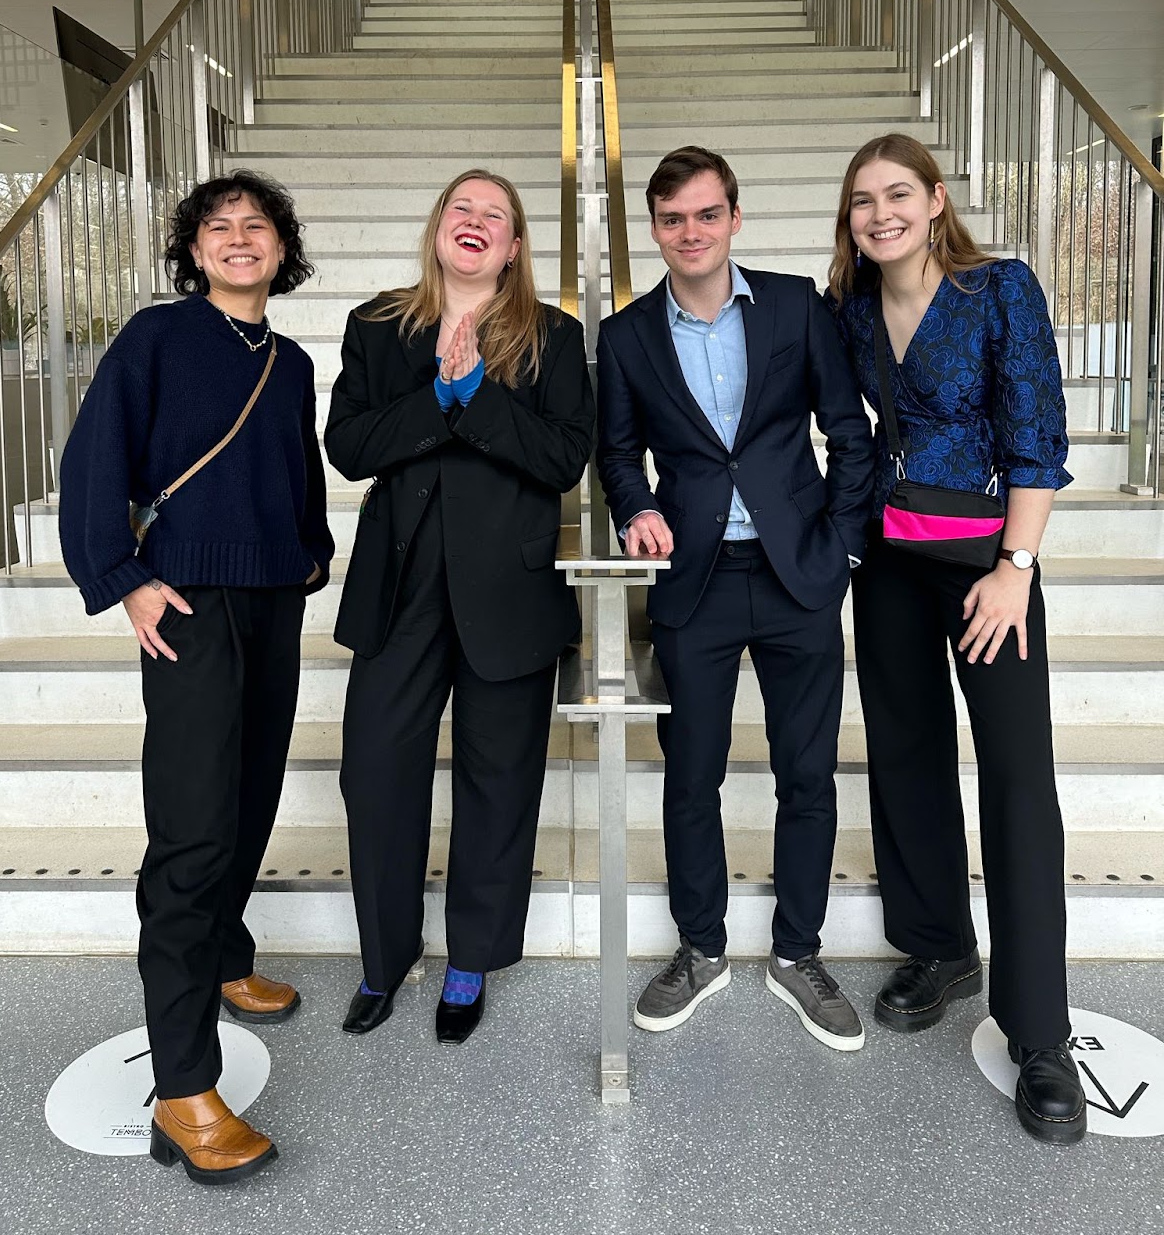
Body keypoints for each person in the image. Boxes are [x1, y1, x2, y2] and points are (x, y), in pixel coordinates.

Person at [58, 170, 333, 1184]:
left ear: (281, 248)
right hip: (188, 607)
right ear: (193, 251)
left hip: (272, 599)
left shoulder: (293, 361)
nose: (238, 238)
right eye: (218, 227)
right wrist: (123, 576)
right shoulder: (155, 337)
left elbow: (296, 472)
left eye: (255, 225)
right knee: (192, 830)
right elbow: (94, 464)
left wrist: (311, 558)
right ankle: (182, 1085)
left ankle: (225, 953)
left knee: (252, 795)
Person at [826, 132, 1086, 1145]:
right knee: (907, 756)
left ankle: (1040, 1033)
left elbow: (1037, 436)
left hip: (990, 567)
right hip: (889, 562)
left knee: (1019, 779)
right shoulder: (849, 305)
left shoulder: (998, 288)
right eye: (862, 201)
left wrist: (1015, 572)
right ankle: (939, 945)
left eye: (898, 194)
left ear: (936, 200)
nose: (880, 213)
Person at [596, 146, 874, 1049]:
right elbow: (617, 454)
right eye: (673, 219)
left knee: (807, 776)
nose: (691, 233)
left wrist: (841, 547)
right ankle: (701, 950)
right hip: (696, 582)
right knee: (691, 777)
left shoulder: (796, 306)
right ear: (654, 229)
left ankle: (798, 953)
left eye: (706, 215)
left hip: (800, 574)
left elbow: (847, 431)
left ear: (734, 220)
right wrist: (637, 509)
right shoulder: (627, 333)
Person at [326, 171, 594, 1045]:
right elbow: (351, 446)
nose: (475, 223)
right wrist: (437, 397)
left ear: (515, 246)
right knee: (376, 776)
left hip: (508, 595)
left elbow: (562, 459)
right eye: (461, 208)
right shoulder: (376, 325)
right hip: (399, 592)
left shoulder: (553, 337)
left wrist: (478, 391)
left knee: (498, 784)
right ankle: (384, 955)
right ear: (438, 226)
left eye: (496, 216)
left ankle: (471, 957)